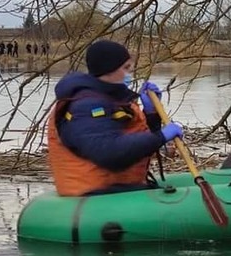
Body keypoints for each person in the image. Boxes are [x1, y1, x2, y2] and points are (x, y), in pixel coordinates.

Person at [47, 40, 183, 196]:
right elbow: (110, 154)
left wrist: (151, 114)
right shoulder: (85, 106)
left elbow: (131, 140)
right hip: (94, 194)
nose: (130, 73)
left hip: (115, 187)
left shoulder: (108, 99)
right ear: (109, 69)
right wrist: (161, 137)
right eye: (125, 68)